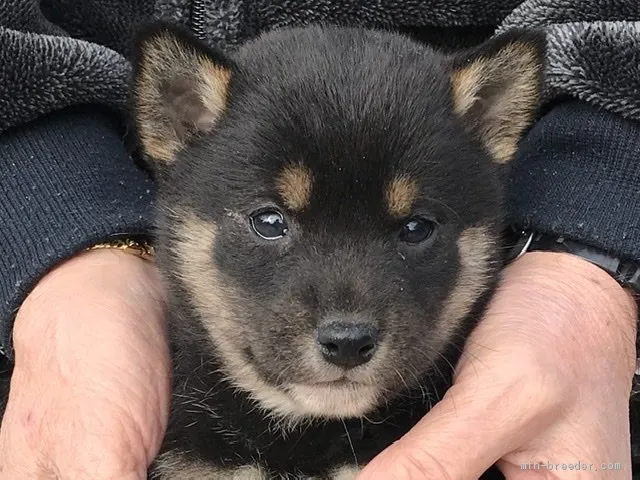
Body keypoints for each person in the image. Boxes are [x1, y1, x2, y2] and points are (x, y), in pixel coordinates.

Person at [0, 1, 638, 478]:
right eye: (271, 223)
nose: (348, 323)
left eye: (415, 229)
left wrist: (593, 244)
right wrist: (56, 228)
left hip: (552, 354)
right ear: (181, 121)